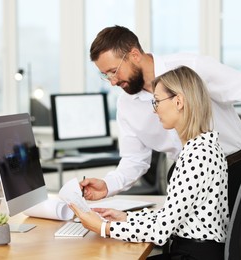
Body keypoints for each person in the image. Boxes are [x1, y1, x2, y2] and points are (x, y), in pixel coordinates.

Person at [81, 25, 241, 213]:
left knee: (234, 245)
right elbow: (134, 160)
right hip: (185, 179)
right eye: (106, 75)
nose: (112, 81)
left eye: (113, 71)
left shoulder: (192, 68)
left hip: (233, 171)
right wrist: (108, 185)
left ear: (134, 55)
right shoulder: (126, 105)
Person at [71, 66, 229, 260]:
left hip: (193, 255)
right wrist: (126, 217)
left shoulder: (197, 156)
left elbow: (161, 231)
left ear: (178, 102)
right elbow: (171, 215)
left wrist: (103, 227)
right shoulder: (203, 147)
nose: (155, 110)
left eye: (156, 102)